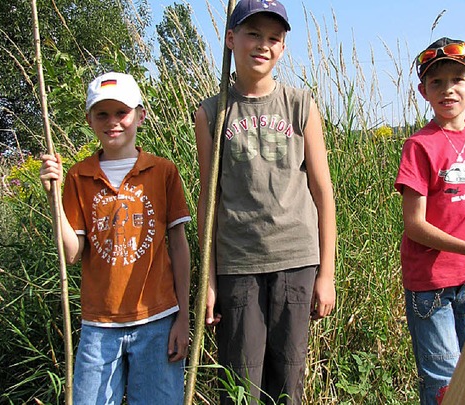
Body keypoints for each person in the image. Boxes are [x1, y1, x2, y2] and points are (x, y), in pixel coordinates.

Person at [194, 1, 337, 404]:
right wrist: (207, 281)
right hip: (238, 264)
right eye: (253, 34)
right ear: (230, 38)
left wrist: (326, 274)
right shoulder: (211, 113)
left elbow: (323, 193)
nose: (263, 45)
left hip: (296, 258)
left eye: (274, 38)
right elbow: (209, 196)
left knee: (288, 385)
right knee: (239, 385)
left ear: (283, 47)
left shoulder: (301, 105)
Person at [39, 72, 191, 404]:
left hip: (158, 320)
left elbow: (179, 246)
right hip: (99, 326)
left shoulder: (163, 171)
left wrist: (183, 315)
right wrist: (53, 198)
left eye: (121, 113)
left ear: (140, 115)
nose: (113, 123)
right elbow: (72, 253)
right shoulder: (79, 176)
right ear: (89, 119)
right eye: (102, 114)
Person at [394, 37, 465, 405]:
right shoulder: (420, 145)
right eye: (436, 82)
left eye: (457, 79)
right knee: (443, 377)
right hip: (432, 285)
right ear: (423, 91)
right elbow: (415, 224)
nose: (447, 89)